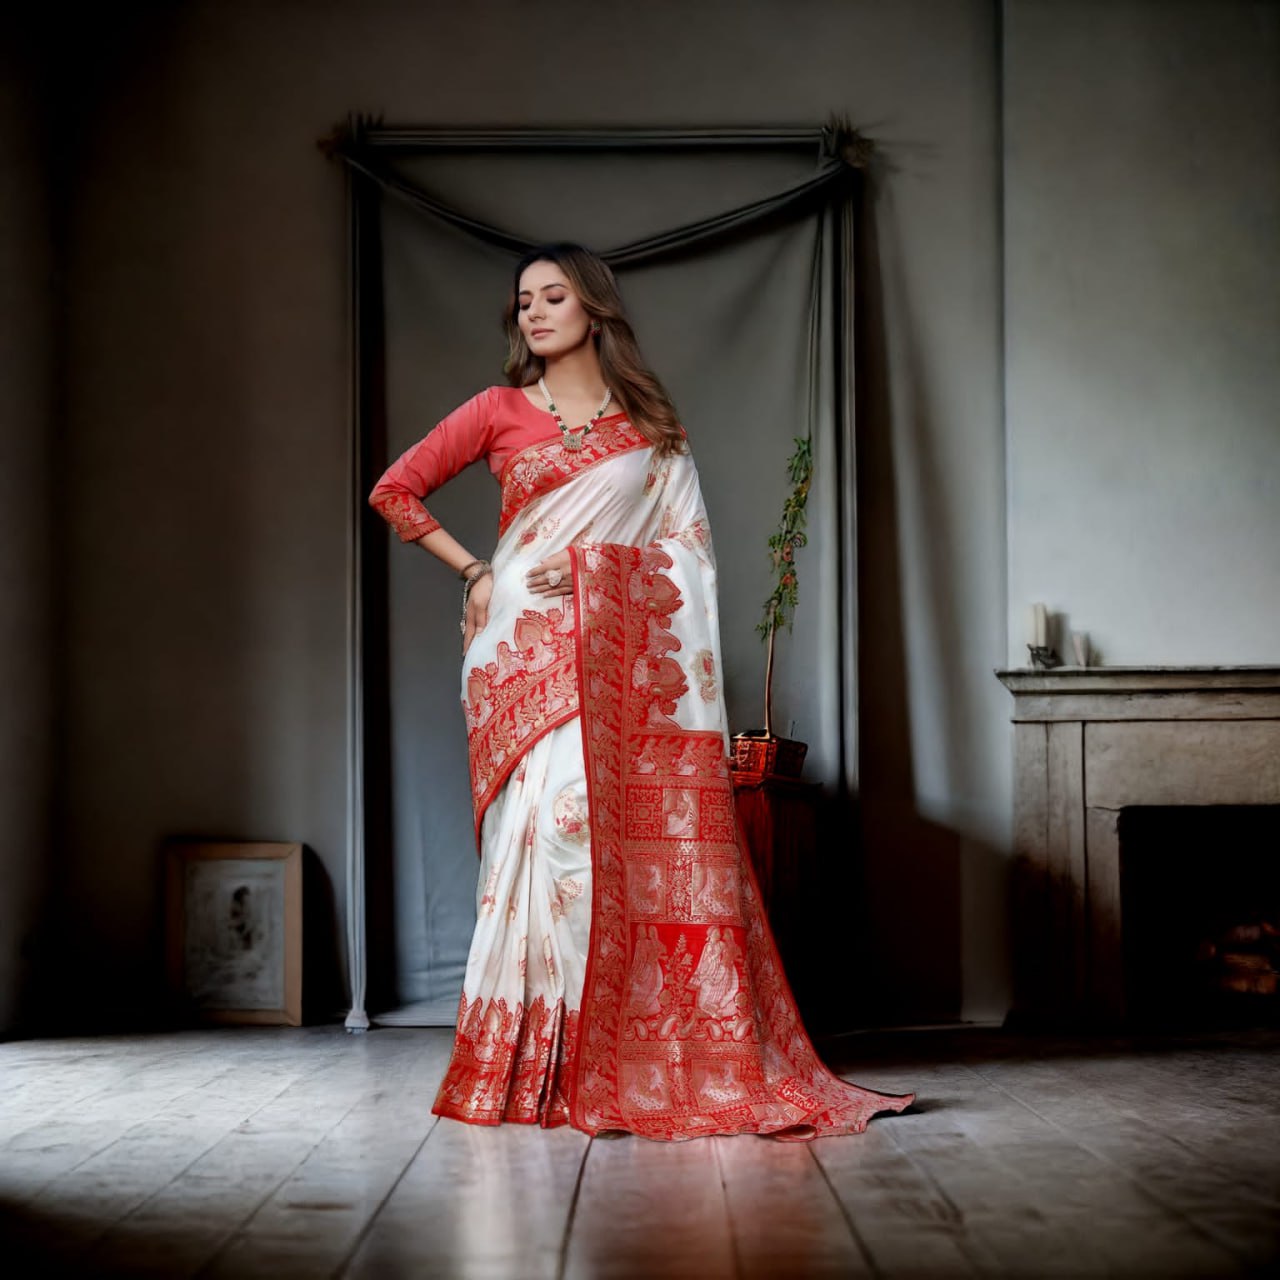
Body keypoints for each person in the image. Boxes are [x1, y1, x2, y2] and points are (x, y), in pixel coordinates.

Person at [369, 242, 913, 1140]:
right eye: (524, 301)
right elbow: (397, 490)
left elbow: (688, 555)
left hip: (616, 657)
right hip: (520, 658)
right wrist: (475, 574)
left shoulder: (649, 425)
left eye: (553, 296)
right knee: (533, 843)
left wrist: (595, 573)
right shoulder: (498, 409)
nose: (534, 313)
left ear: (595, 307)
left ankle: (613, 1052)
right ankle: (530, 1062)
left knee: (591, 840)